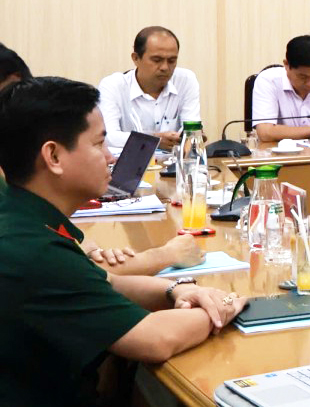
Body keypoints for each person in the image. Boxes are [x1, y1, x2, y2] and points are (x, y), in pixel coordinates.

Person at [0, 77, 245, 404]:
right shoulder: (36, 251)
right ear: (54, 156)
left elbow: (107, 281)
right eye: (98, 144)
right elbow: (156, 340)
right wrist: (224, 306)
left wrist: (177, 290)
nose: (110, 157)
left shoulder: (18, 212)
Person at [97, 26, 201, 154]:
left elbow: (192, 128)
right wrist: (153, 140)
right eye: (157, 60)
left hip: (172, 163)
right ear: (136, 58)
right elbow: (108, 137)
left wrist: (192, 137)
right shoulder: (113, 85)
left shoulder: (185, 80)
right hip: (131, 163)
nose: (165, 67)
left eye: (172, 61)